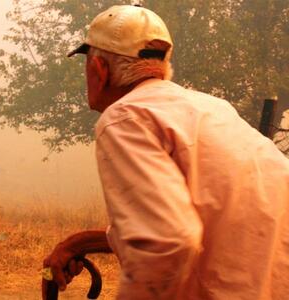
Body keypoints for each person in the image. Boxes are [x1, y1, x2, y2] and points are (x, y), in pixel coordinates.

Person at [43, 4, 289, 300]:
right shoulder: (212, 109)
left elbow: (167, 240)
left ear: (99, 69)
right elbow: (201, 216)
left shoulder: (125, 117)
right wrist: (78, 244)